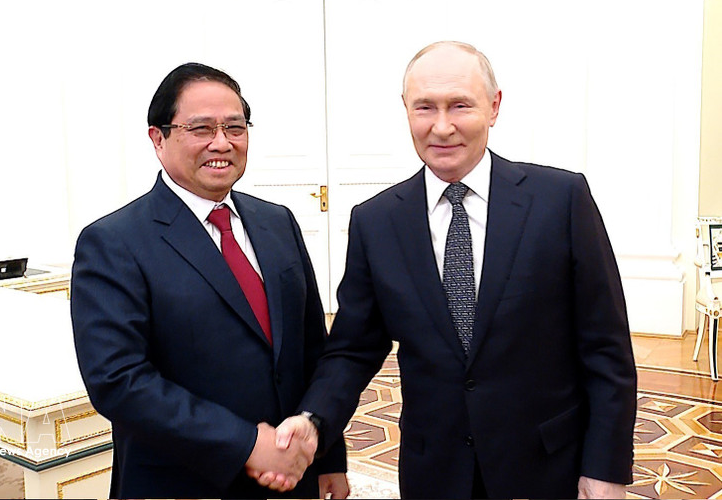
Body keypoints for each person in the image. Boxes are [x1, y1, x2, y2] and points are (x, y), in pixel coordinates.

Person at [265, 41, 637, 499]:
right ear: (406, 109)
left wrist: (606, 469)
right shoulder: (376, 221)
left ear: (494, 106)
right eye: (425, 107)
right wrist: (314, 420)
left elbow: (606, 349)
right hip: (435, 472)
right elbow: (353, 349)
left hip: (546, 468)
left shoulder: (560, 201)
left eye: (460, 105)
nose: (442, 127)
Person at [70, 62, 348, 499]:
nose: (222, 142)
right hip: (182, 482)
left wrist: (328, 456)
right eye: (201, 128)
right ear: (158, 138)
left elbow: (312, 347)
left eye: (235, 127)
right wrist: (245, 444)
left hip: (291, 476)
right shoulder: (113, 242)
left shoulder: (277, 222)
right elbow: (119, 381)